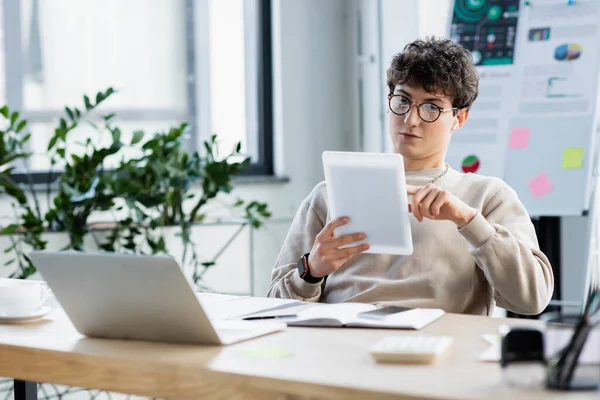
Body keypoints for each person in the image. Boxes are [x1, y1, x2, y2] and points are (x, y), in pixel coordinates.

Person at [266, 37, 554, 316]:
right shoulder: (330, 193)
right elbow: (274, 304)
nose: (411, 119)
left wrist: (469, 221)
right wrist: (312, 270)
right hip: (345, 346)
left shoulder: (487, 196)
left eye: (431, 107)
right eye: (402, 101)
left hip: (440, 350)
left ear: (459, 118)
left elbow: (532, 299)